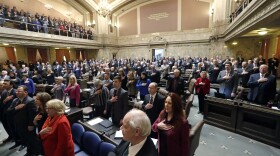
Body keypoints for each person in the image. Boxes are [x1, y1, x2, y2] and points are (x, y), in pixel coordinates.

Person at [7, 85, 40, 155]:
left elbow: (32, 115)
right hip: (18, 124)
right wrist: (16, 108)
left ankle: (34, 153)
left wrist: (31, 125)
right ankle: (29, 151)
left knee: (32, 140)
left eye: (19, 91)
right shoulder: (15, 100)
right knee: (25, 140)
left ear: (26, 92)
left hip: (28, 126)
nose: (17, 92)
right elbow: (8, 112)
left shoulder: (30, 101)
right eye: (16, 91)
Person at [0, 79, 16, 143]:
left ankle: (16, 138)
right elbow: (2, 103)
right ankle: (11, 136)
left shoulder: (15, 92)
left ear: (11, 85)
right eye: (3, 83)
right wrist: (4, 101)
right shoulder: (4, 92)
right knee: (6, 125)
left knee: (13, 126)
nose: (3, 85)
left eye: (5, 84)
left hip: (12, 113)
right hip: (4, 113)